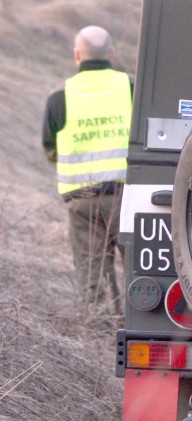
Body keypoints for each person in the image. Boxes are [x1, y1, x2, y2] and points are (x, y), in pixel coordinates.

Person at [42, 25, 133, 316]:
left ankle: (103, 336)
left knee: (94, 275)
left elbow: (50, 147)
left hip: (83, 202)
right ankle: (145, 327)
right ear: (111, 53)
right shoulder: (132, 86)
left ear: (76, 54)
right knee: (142, 268)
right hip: (129, 197)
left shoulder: (59, 96)